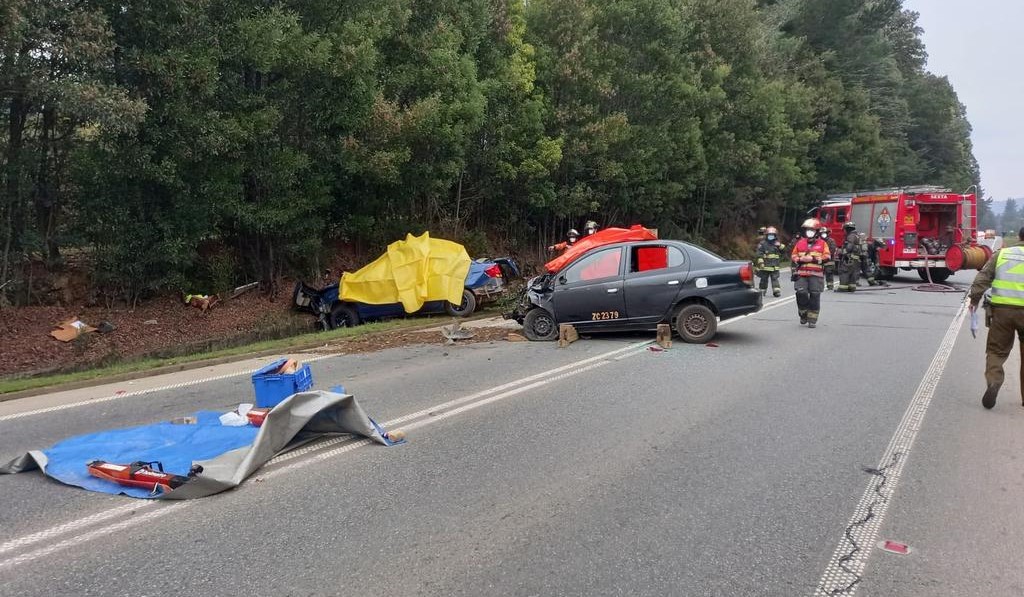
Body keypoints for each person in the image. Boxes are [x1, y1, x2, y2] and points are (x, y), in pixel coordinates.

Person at [968, 227, 1024, 409]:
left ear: (1018, 236)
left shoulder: (1002, 254)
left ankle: (994, 381)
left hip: (1002, 312)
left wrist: (974, 300)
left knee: (996, 352)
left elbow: (981, 279)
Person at [791, 218, 830, 328]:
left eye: (812, 230)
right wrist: (800, 259)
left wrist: (813, 259)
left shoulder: (823, 244)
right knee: (800, 293)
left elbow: (827, 257)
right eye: (808, 230)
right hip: (801, 274)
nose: (809, 232)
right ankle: (803, 314)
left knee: (815, 295)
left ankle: (812, 319)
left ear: (817, 231)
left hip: (816, 275)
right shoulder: (800, 243)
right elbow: (794, 255)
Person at [835, 222, 866, 293]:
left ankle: (843, 288)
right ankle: (851, 287)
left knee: (844, 272)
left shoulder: (851, 236)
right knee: (852, 273)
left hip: (849, 258)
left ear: (847, 229)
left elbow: (849, 247)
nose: (844, 231)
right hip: (855, 259)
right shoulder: (856, 235)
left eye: (845, 229)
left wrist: (842, 252)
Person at [755, 226, 785, 297]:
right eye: (769, 235)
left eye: (772, 235)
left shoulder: (777, 243)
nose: (771, 236)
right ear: (766, 235)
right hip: (765, 266)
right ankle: (762, 291)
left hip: (775, 266)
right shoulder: (762, 244)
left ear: (775, 236)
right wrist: (761, 263)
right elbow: (759, 254)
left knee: (775, 279)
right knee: (763, 280)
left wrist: (780, 245)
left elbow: (784, 251)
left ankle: (776, 291)